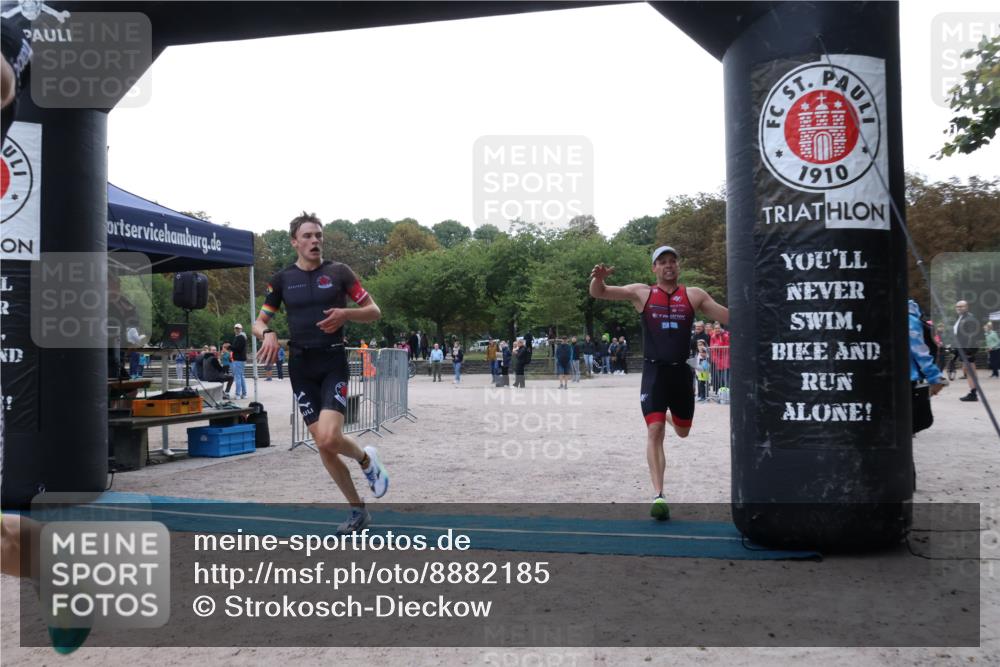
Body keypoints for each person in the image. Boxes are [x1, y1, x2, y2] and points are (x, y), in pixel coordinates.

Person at [254, 212, 388, 534]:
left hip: (332, 362)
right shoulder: (283, 279)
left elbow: (374, 311)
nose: (315, 241)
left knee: (329, 437)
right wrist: (267, 334)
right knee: (324, 444)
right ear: (294, 242)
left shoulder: (339, 273)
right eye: (308, 236)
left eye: (319, 236)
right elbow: (259, 322)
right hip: (301, 366)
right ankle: (358, 512)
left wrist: (346, 313)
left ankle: (366, 460)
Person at [590, 245, 729, 521]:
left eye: (672, 261)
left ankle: (668, 417)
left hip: (681, 374)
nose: (668, 265)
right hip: (654, 374)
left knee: (683, 431)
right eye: (662, 262)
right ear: (654, 268)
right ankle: (659, 495)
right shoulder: (642, 293)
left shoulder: (694, 295)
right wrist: (599, 278)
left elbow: (728, 317)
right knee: (654, 431)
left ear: (678, 266)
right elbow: (600, 292)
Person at [909, 300, 947, 434]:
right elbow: (919, 352)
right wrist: (934, 377)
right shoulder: (911, 321)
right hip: (909, 379)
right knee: (920, 420)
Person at [953, 300, 981, 401]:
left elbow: (973, 335)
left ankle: (973, 393)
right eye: (957, 307)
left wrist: (969, 350)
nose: (959, 308)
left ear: (967, 307)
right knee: (967, 370)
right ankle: (974, 391)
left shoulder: (969, 318)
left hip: (967, 349)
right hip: (963, 348)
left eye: (961, 306)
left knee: (970, 371)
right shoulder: (960, 318)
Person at [231, 323, 248, 399]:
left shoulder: (240, 337)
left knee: (238, 377)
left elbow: (237, 348)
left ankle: (238, 394)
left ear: (241, 329)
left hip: (238, 359)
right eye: (236, 328)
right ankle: (244, 394)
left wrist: (229, 347)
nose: (237, 330)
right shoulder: (240, 337)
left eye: (238, 328)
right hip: (240, 359)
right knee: (241, 376)